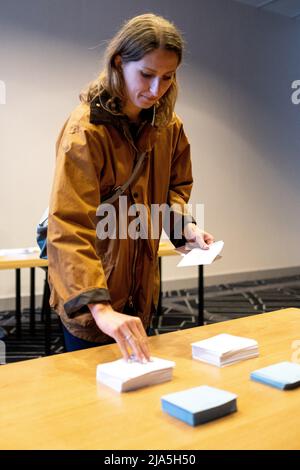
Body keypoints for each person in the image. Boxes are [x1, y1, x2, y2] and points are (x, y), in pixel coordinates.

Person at [47, 13, 214, 362]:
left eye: (167, 77)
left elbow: (175, 190)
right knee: (92, 404)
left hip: (140, 291)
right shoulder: (86, 130)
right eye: (147, 75)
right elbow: (69, 227)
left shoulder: (169, 127)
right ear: (119, 62)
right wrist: (101, 308)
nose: (157, 90)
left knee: (138, 400)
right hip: (93, 301)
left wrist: (186, 228)